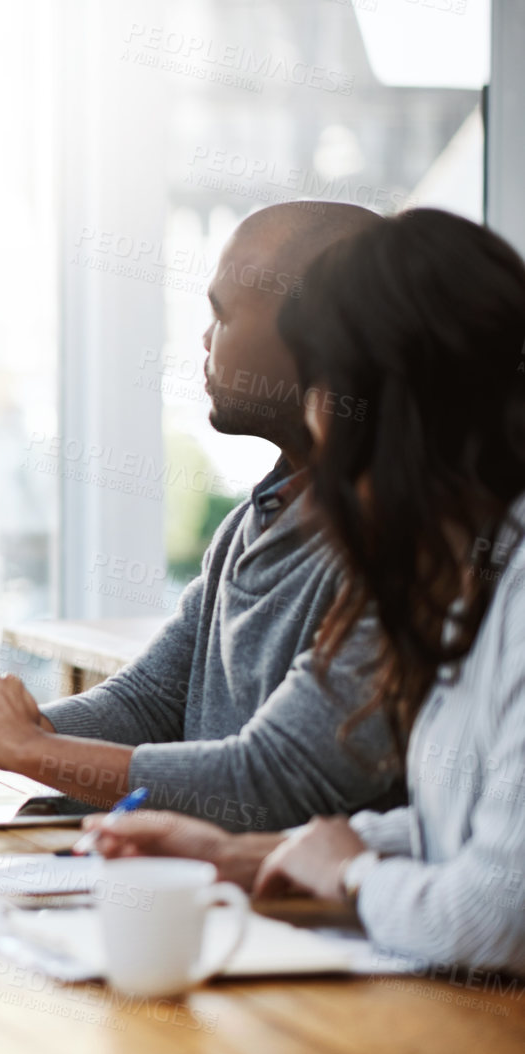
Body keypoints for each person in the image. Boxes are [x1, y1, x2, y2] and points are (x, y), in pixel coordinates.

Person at [82, 208, 525, 974]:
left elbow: (495, 918)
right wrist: (245, 854)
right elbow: (458, 835)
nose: (320, 419)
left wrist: (351, 873)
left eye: (326, 384)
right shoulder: (466, 574)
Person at [0, 200, 401, 831]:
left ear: (316, 340)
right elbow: (153, 702)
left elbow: (270, 781)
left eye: (222, 315)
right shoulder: (249, 525)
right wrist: (6, 729)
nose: (205, 340)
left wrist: (31, 748)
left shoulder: (399, 549)